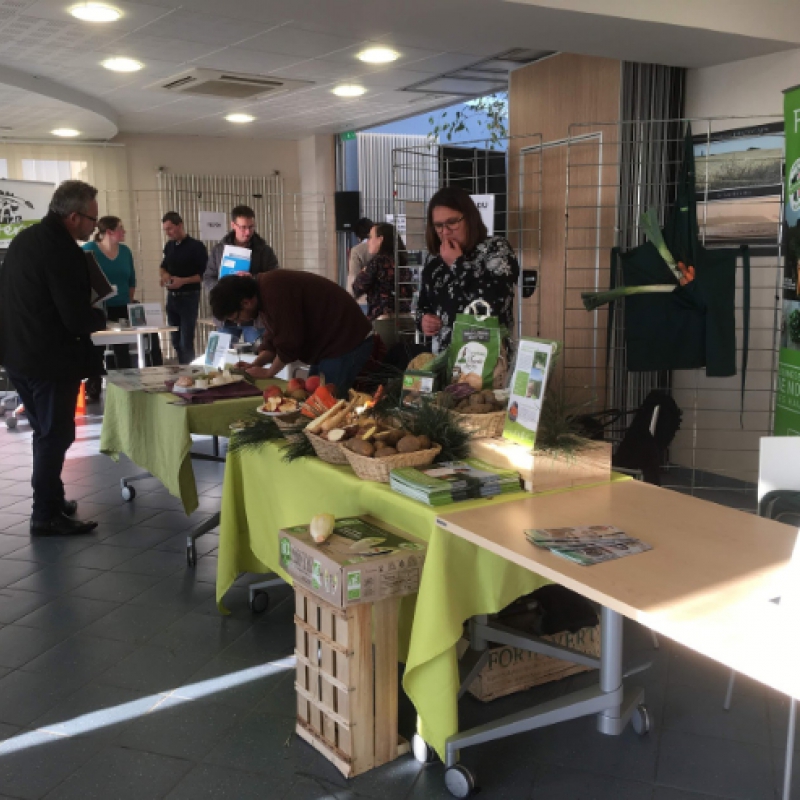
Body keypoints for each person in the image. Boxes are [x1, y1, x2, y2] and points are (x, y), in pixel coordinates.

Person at [0, 180, 103, 536]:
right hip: (49, 358)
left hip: (17, 353)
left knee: (45, 431)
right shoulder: (62, 251)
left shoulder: (26, 240)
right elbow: (73, 316)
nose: (96, 225)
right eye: (93, 218)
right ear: (74, 217)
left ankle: (53, 497)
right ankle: (44, 514)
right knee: (54, 434)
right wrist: (101, 317)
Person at [209, 273, 373, 396]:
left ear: (246, 302)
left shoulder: (273, 290)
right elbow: (274, 337)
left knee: (326, 405)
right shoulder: (263, 290)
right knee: (309, 399)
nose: (238, 323)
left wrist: (269, 372)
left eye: (236, 317)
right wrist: (256, 364)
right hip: (330, 345)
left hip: (346, 342)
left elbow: (289, 342)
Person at [416, 187, 519, 351]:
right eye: (438, 226)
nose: (446, 232)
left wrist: (457, 263)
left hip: (486, 358)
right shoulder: (433, 259)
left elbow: (493, 303)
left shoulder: (496, 249)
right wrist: (423, 320)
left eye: (452, 222)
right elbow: (423, 304)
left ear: (469, 218)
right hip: (443, 359)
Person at [203, 204, 279, 344]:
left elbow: (274, 278)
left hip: (255, 318)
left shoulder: (264, 250)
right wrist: (222, 286)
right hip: (226, 318)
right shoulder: (218, 250)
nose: (247, 232)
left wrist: (253, 279)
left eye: (251, 227)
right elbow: (208, 278)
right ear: (233, 225)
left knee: (260, 353)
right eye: (243, 227)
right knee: (223, 356)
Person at [82, 216, 136, 398]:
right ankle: (93, 389)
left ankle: (126, 390)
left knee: (122, 350)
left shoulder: (126, 251)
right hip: (98, 307)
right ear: (109, 232)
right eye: (121, 228)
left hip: (121, 306)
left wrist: (128, 300)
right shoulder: (89, 250)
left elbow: (131, 280)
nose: (124, 232)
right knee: (96, 350)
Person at [352, 222, 410, 348]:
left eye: (371, 237)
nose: (368, 241)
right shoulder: (402, 261)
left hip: (386, 323)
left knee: (385, 364)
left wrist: (363, 271)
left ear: (380, 239)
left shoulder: (377, 262)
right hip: (407, 321)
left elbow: (357, 288)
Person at [160, 211, 208, 364]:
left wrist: (183, 281)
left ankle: (189, 371)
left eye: (170, 229)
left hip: (189, 297)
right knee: (174, 339)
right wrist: (165, 276)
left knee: (185, 341)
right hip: (172, 298)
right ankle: (181, 369)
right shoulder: (169, 246)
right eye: (165, 230)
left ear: (180, 225)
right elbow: (163, 267)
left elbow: (203, 275)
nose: (168, 233)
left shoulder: (197, 247)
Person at [347, 216, 373, 310]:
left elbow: (353, 276)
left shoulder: (357, 251)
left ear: (358, 236)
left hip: (362, 300)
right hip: (380, 300)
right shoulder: (382, 248)